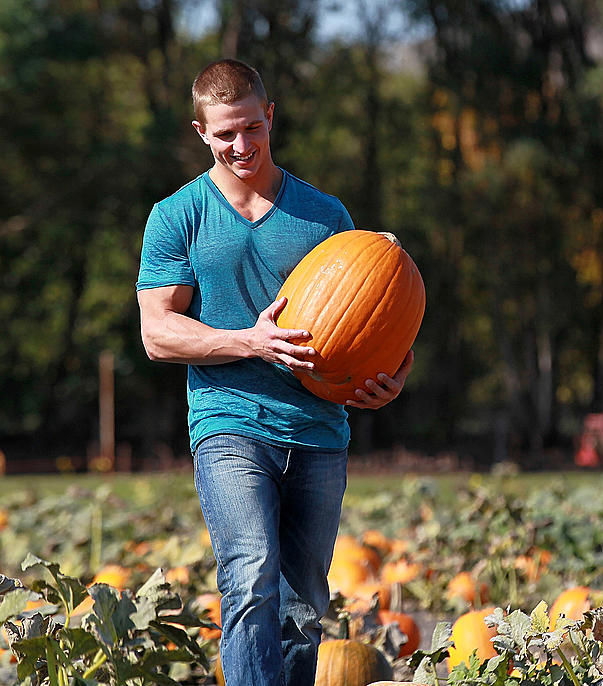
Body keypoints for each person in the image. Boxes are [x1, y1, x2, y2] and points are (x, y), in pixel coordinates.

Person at [135, 58, 413, 685]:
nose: (241, 145)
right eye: (225, 133)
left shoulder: (323, 216)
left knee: (305, 603)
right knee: (251, 572)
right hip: (229, 420)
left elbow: (374, 319)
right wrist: (249, 342)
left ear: (271, 117)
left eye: (252, 129)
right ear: (200, 132)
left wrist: (389, 379)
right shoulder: (178, 216)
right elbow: (158, 334)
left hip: (318, 428)